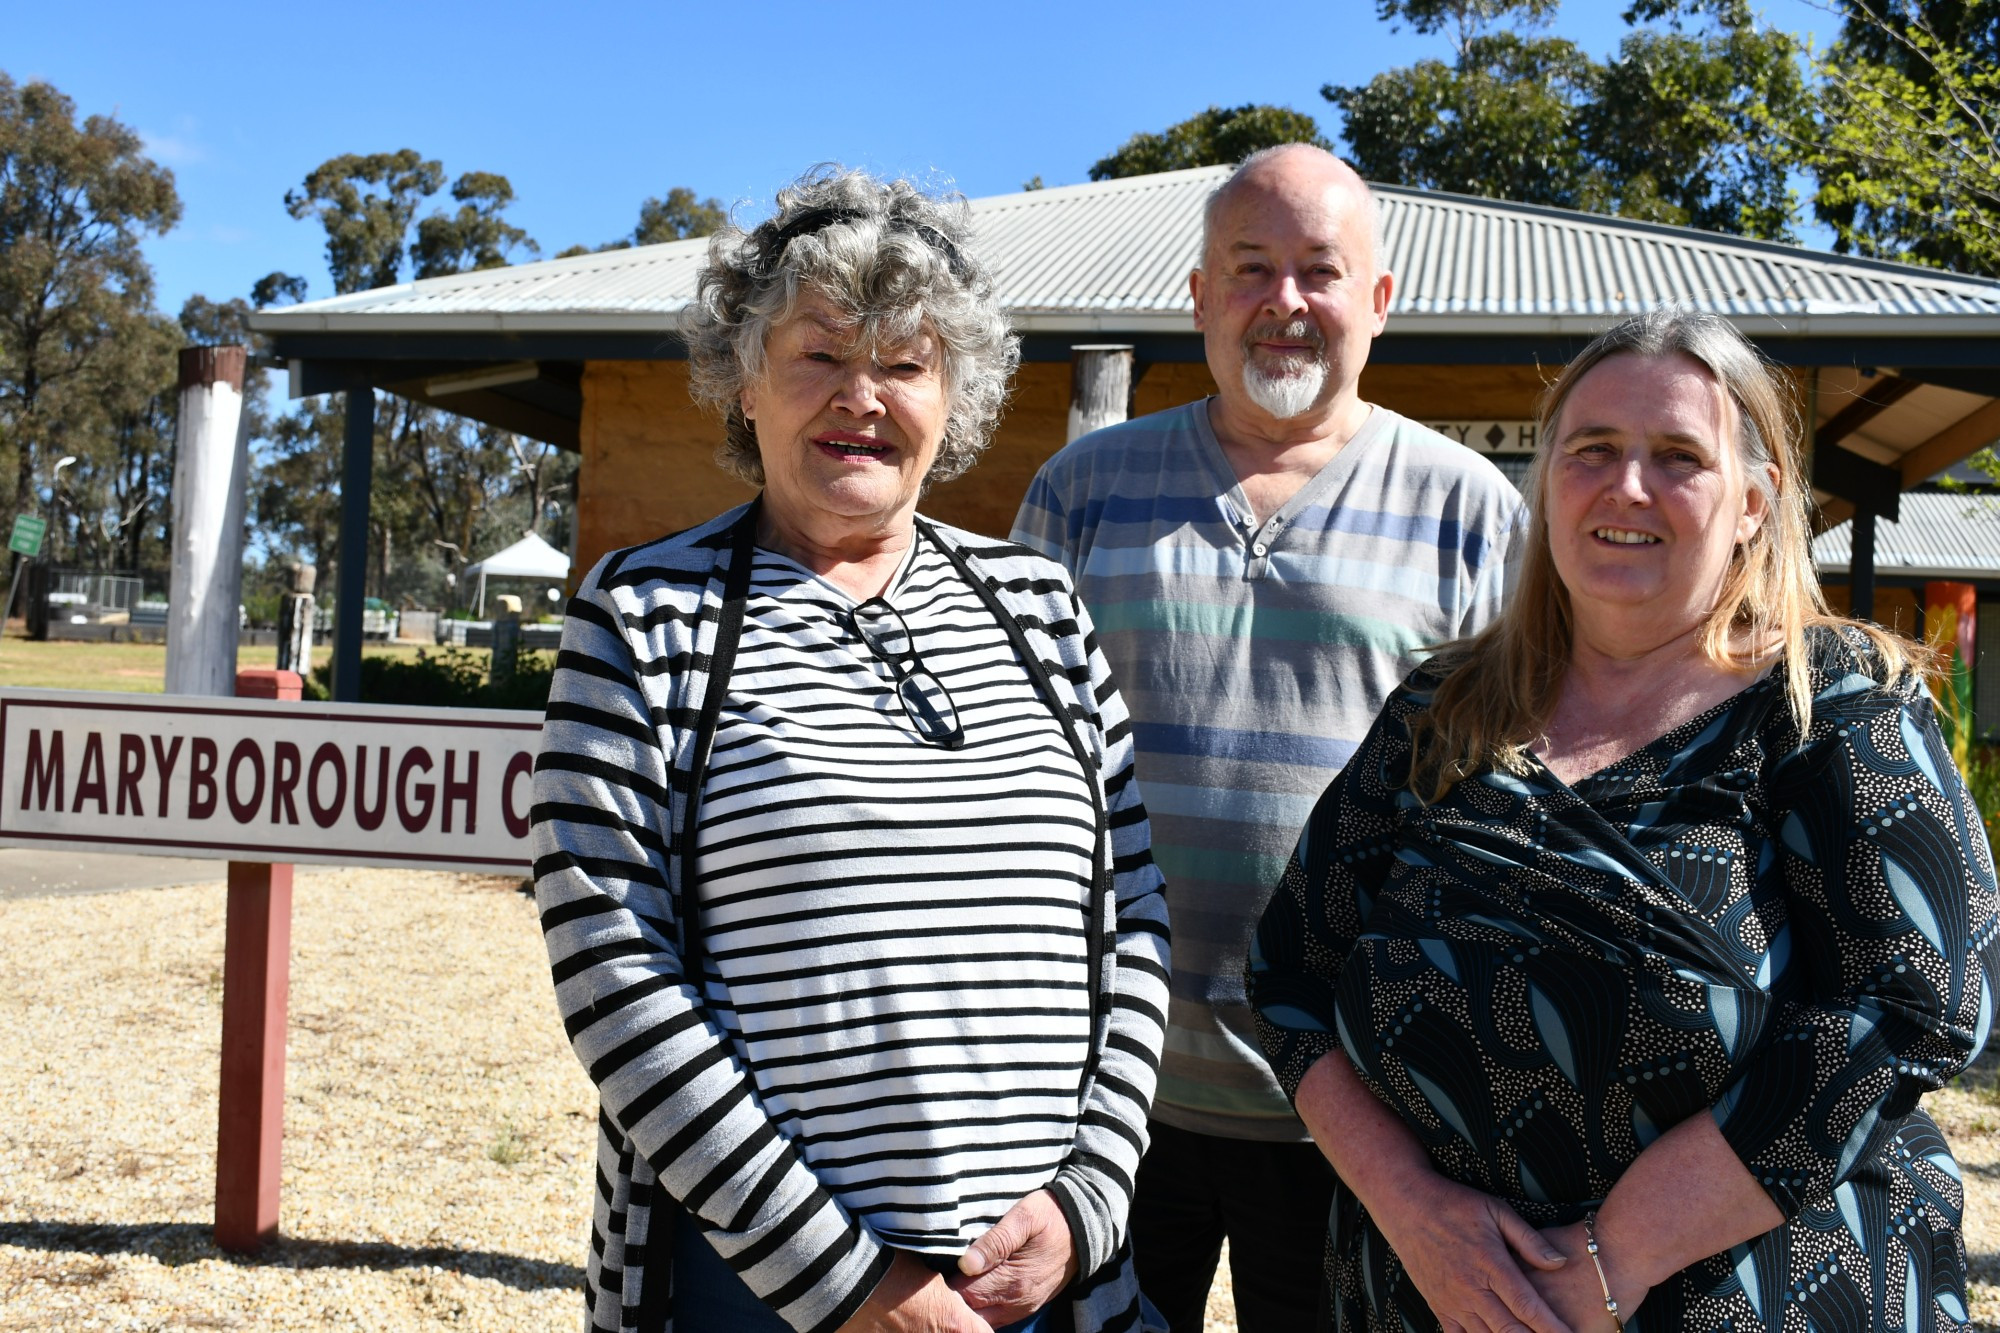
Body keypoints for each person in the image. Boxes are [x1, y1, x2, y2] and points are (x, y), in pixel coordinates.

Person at [1248, 307, 2000, 1332]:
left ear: (1751, 501)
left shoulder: (1827, 707)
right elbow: (1288, 973)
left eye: (1676, 456)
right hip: (1430, 1293)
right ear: (1546, 477)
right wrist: (1414, 1211)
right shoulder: (1441, 712)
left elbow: (1912, 1004)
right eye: (1591, 448)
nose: (1625, 486)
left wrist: (1610, 1259)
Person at [532, 166, 1170, 1333]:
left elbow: (1129, 916)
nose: (859, 396)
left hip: (1041, 1284)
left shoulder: (1037, 604)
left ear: (954, 392)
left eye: (904, 362)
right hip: (762, 1290)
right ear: (742, 380)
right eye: (820, 353)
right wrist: (854, 1286)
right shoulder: (642, 614)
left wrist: (1088, 1202)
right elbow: (610, 970)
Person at [1011, 144, 1524, 1330]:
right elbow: (1012, 775)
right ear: (1197, 296)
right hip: (1101, 1102)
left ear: (1378, 303)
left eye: (1319, 271)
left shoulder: (1470, 514)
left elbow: (1515, 816)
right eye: (1250, 268)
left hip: (1361, 1112)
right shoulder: (1080, 491)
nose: (1283, 302)